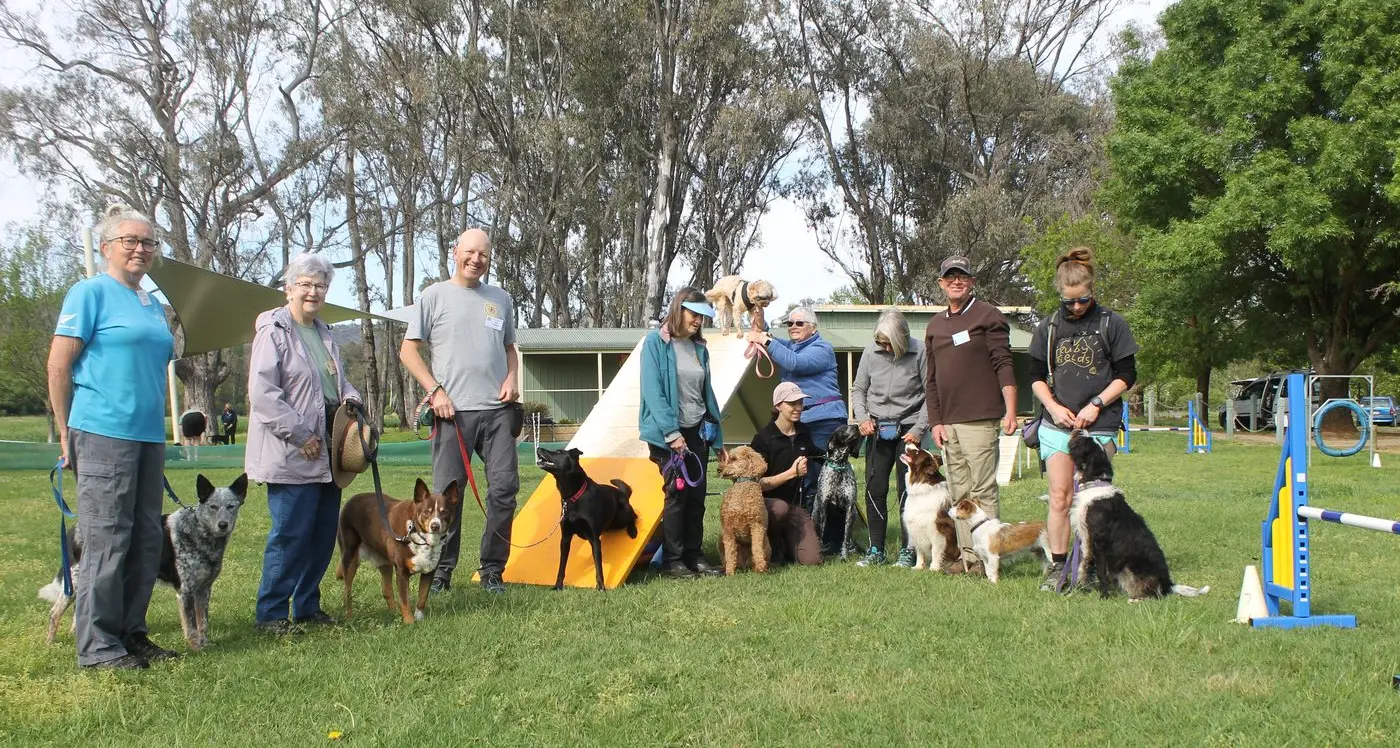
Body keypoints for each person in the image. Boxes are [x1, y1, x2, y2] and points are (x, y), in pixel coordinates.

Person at [47, 204, 177, 669]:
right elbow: (58, 366)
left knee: (145, 537)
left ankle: (131, 633)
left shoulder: (152, 305)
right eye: (130, 241)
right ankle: (98, 646)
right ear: (106, 248)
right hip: (102, 431)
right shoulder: (89, 293)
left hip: (148, 436)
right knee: (107, 538)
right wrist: (66, 433)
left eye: (148, 242)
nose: (141, 249)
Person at [246, 253, 363, 634]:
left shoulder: (324, 333)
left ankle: (308, 606)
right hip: (292, 450)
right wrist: (300, 435)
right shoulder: (274, 331)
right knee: (290, 535)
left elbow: (336, 382)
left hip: (329, 448)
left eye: (320, 286)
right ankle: (271, 613)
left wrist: (352, 397)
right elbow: (264, 394)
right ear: (289, 289)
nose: (313, 292)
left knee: (321, 534)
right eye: (305, 285)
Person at [401, 228, 520, 595]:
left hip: (498, 412)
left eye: (483, 254)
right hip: (451, 413)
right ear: (455, 252)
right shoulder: (434, 295)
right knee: (445, 497)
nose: (476, 259)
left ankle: (492, 570)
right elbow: (408, 350)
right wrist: (435, 391)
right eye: (470, 252)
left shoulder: (500, 299)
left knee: (504, 489)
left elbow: (510, 348)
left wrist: (512, 377)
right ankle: (441, 572)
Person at [1028, 246, 1138, 591]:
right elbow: (1035, 376)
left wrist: (1096, 404)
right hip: (1057, 425)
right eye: (1069, 301)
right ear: (1059, 294)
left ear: (1092, 289)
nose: (1076, 307)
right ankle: (1058, 567)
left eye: (1083, 300)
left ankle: (1093, 567)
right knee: (1060, 496)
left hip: (1099, 425)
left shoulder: (1111, 323)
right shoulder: (1048, 327)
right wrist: (1054, 407)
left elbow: (1127, 374)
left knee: (1096, 503)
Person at [924, 256, 1018, 574]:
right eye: (950, 277)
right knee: (959, 493)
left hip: (980, 419)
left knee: (982, 491)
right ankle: (968, 558)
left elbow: (1003, 363)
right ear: (941, 283)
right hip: (948, 423)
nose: (956, 281)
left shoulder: (988, 316)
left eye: (962, 276)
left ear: (971, 281)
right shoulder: (935, 326)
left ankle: (988, 560)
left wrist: (1011, 409)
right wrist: (935, 421)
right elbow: (931, 379)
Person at [639, 287, 728, 579]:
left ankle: (694, 555)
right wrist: (671, 433)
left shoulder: (699, 347)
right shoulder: (655, 343)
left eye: (703, 317)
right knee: (677, 495)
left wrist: (718, 439)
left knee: (697, 496)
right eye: (694, 314)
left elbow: (707, 394)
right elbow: (653, 391)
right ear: (679, 310)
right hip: (667, 435)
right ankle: (673, 560)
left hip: (697, 430)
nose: (698, 321)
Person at [745, 306, 846, 550]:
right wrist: (761, 324)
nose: (793, 327)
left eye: (799, 323)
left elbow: (794, 362)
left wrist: (766, 340)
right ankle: (807, 535)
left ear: (813, 327)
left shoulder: (822, 349)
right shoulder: (792, 346)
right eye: (789, 323)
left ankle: (832, 539)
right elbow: (775, 342)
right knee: (807, 480)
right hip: (802, 422)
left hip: (824, 421)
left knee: (826, 481)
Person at [851, 308, 929, 567]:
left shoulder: (920, 352)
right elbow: (859, 389)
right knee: (875, 488)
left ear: (901, 339)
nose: (883, 348)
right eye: (880, 343)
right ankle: (876, 549)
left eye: (888, 344)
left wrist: (919, 429)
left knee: (909, 490)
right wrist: (863, 418)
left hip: (909, 429)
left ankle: (910, 549)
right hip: (877, 427)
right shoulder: (869, 352)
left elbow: (932, 394)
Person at [747, 382, 824, 566]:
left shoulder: (803, 432)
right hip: (767, 507)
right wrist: (791, 473)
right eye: (792, 403)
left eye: (800, 403)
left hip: (796, 507)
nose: (798, 408)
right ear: (778, 406)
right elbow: (755, 484)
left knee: (812, 560)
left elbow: (819, 454)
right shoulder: (763, 439)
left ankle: (787, 544)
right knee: (780, 508)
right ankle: (773, 547)